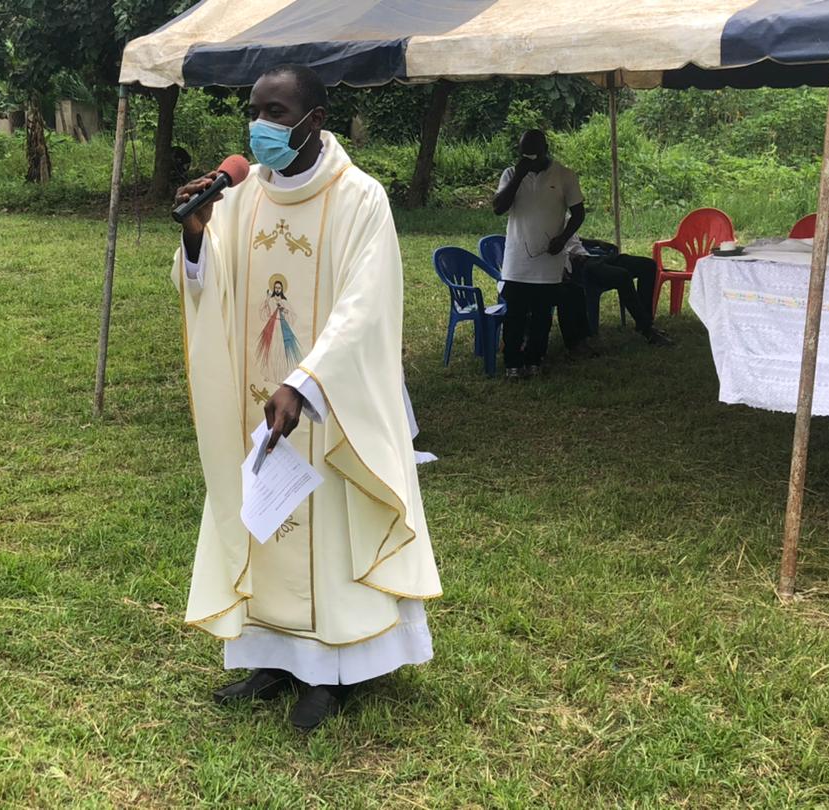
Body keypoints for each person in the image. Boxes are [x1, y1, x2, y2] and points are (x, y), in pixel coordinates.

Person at [171, 64, 441, 732]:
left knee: (329, 528)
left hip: (326, 408)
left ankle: (333, 672)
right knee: (265, 527)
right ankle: (272, 656)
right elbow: (212, 287)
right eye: (254, 110)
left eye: (277, 111)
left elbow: (365, 308)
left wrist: (304, 383)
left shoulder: (360, 199)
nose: (260, 125)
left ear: (314, 121)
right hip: (257, 404)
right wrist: (195, 233)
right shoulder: (240, 196)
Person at [492, 130, 585, 379]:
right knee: (515, 316)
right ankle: (512, 364)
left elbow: (578, 214)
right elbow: (498, 208)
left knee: (542, 316)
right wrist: (519, 175)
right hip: (517, 262)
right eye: (524, 152)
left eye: (534, 151)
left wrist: (563, 239)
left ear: (545, 148)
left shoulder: (564, 175)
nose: (529, 157)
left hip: (548, 260)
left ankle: (535, 360)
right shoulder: (511, 174)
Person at [564, 236, 673, 346]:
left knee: (648, 265)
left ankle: (646, 320)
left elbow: (574, 238)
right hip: (580, 265)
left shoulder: (565, 219)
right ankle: (646, 328)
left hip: (593, 256)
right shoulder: (550, 224)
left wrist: (596, 242)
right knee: (621, 276)